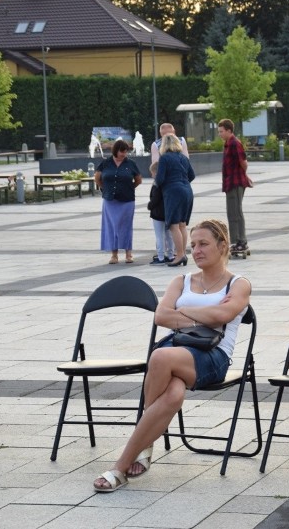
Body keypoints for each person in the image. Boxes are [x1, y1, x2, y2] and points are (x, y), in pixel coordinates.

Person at [93, 219, 252, 492]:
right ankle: (145, 442)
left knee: (159, 357)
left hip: (213, 356)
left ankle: (123, 462)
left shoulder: (238, 284)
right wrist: (204, 315)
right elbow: (160, 316)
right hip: (179, 348)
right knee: (173, 394)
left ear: (222, 245)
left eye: (203, 244)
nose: (196, 250)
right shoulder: (181, 280)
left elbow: (223, 316)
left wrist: (184, 313)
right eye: (192, 245)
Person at [95, 140, 142, 264]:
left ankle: (128, 254)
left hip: (127, 200)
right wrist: (105, 189)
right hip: (110, 200)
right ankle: (114, 255)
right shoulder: (106, 163)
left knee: (126, 227)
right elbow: (97, 178)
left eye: (126, 151)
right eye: (122, 151)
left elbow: (138, 180)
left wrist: (129, 188)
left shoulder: (131, 163)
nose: (124, 154)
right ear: (116, 150)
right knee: (111, 227)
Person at [155, 134, 195, 267]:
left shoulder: (165, 158)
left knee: (173, 225)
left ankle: (179, 255)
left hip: (173, 192)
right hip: (187, 191)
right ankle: (182, 254)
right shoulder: (183, 158)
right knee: (182, 224)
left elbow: (160, 179)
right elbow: (192, 175)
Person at [218, 119, 252, 253]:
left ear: (229, 131)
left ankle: (241, 241)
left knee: (236, 212)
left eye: (221, 131)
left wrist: (243, 175)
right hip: (230, 183)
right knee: (232, 212)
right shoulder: (227, 143)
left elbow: (243, 162)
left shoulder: (234, 143)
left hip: (236, 182)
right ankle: (236, 240)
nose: (219, 134)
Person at [147, 163, 174, 265]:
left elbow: (155, 199)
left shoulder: (157, 184)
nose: (151, 175)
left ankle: (161, 257)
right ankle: (171, 255)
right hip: (168, 212)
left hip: (157, 214)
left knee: (159, 235)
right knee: (169, 235)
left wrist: (149, 206)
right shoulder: (169, 182)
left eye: (152, 173)